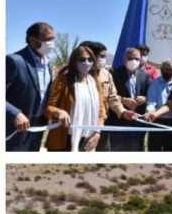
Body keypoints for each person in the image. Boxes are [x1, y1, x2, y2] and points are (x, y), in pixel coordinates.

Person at [45, 46, 105, 152]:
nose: (86, 62)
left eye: (90, 59)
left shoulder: (95, 82)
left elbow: (101, 112)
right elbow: (49, 108)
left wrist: (97, 132)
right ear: (74, 62)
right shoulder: (63, 80)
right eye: (82, 59)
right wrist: (59, 112)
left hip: (88, 137)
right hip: (64, 137)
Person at [7, 22, 55, 151]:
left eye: (53, 39)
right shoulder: (14, 61)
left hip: (38, 127)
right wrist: (15, 113)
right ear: (32, 40)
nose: (51, 43)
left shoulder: (48, 64)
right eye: (47, 39)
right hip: (15, 129)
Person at [83, 41, 131, 152]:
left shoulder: (106, 74)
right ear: (92, 55)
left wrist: (123, 112)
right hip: (83, 122)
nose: (104, 59)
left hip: (102, 122)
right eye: (102, 56)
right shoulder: (79, 74)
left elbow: (112, 97)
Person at [111, 48, 150, 151]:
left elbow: (149, 94)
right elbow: (109, 95)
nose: (134, 61)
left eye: (136, 59)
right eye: (130, 58)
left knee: (134, 150)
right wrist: (123, 100)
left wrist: (144, 98)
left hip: (137, 120)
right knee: (117, 151)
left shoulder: (144, 75)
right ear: (124, 59)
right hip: (119, 120)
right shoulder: (114, 73)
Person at [145, 59, 172, 151]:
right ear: (161, 69)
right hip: (156, 121)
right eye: (165, 69)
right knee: (154, 150)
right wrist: (150, 112)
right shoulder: (155, 83)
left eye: (170, 70)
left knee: (171, 150)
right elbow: (151, 101)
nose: (167, 72)